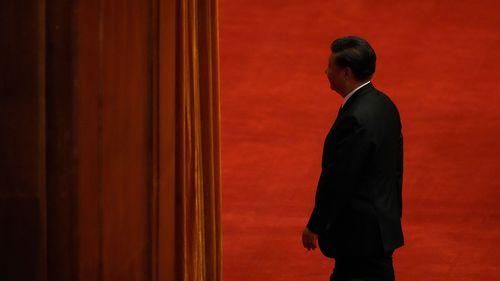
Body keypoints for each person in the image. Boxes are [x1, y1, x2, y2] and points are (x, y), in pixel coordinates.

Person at [302, 36, 404, 281]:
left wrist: (315, 225)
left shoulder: (355, 118)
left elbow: (340, 179)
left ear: (345, 73)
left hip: (360, 236)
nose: (326, 71)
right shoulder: (385, 105)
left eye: (330, 66)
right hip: (380, 227)